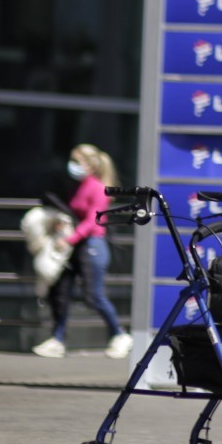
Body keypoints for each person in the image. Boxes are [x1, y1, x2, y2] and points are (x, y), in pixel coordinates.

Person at [33, 145, 132, 360]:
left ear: (91, 165)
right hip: (78, 246)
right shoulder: (81, 186)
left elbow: (93, 220)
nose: (73, 166)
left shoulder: (97, 188)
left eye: (77, 161)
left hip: (92, 246)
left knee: (93, 295)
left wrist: (70, 239)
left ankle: (119, 334)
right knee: (62, 291)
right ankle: (58, 338)